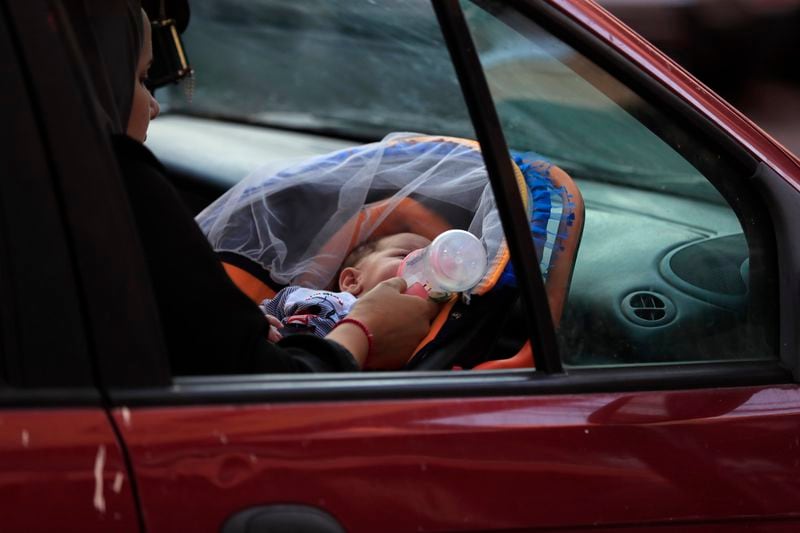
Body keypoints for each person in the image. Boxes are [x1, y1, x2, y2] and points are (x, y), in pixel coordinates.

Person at [64, 0, 438, 373]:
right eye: (143, 78)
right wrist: (365, 331)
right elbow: (261, 383)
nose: (155, 105)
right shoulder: (118, 192)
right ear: (95, 80)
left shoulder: (54, 196)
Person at [261, 233, 432, 347]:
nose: (420, 269)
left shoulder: (412, 332)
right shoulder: (302, 295)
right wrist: (260, 323)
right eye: (405, 256)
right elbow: (254, 312)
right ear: (352, 281)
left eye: (430, 267)